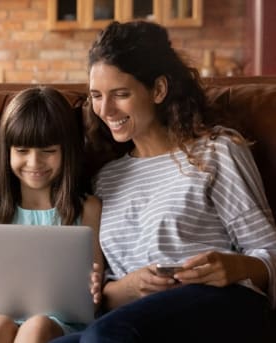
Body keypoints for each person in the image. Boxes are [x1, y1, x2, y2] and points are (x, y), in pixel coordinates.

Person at [52, 20, 276, 343]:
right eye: (96, 96)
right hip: (133, 321)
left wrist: (236, 267)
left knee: (104, 335)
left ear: (158, 89)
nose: (105, 109)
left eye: (121, 94)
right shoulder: (106, 180)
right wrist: (126, 288)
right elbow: (103, 294)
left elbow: (269, 250)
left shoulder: (216, 152)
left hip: (222, 305)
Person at [0, 86, 104, 343]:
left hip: (59, 323)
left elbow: (93, 287)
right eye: (22, 151)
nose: (34, 163)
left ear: (66, 151)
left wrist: (93, 286)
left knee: (37, 326)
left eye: (48, 151)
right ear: (7, 152)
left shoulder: (88, 209)